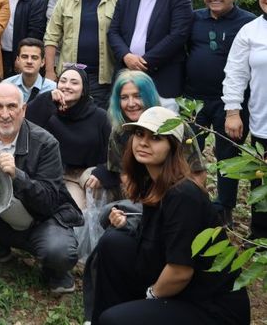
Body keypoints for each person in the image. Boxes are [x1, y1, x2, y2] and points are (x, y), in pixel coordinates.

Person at [89, 106, 250, 324]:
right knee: (113, 243)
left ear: (172, 147)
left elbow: (180, 271)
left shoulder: (183, 194)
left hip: (210, 306)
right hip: (182, 288)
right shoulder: (152, 181)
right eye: (139, 134)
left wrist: (150, 297)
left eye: (155, 138)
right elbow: (158, 242)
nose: (143, 142)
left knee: (114, 320)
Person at [0, 83, 82, 293]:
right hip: (0, 216)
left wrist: (18, 176)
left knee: (59, 252)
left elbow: (48, 203)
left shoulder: (46, 144)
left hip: (40, 221)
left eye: (12, 106)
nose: (5, 114)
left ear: (24, 110)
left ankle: (54, 270)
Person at [186, 0, 255, 225]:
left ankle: (225, 210)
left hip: (232, 102)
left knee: (228, 155)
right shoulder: (194, 18)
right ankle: (191, 203)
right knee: (189, 151)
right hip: (194, 99)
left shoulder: (248, 23)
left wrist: (234, 108)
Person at [108, 0, 193, 110]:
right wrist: (126, 56)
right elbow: (113, 32)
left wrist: (143, 62)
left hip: (163, 79)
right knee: (128, 124)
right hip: (127, 76)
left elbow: (178, 35)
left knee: (161, 125)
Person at [26, 66, 112, 209]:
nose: (67, 86)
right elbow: (25, 123)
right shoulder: (49, 109)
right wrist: (47, 98)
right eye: (63, 81)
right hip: (53, 175)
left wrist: (102, 172)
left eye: (74, 82)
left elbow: (112, 154)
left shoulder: (100, 116)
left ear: (83, 90)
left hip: (87, 175)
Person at [106, 70, 205, 191]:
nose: (131, 103)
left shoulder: (174, 124)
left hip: (178, 192)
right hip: (141, 194)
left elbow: (197, 173)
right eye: (124, 97)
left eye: (138, 96)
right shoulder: (119, 130)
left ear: (150, 96)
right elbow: (124, 173)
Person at [222, 0, 267, 239]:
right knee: (261, 184)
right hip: (263, 123)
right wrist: (233, 111)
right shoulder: (251, 31)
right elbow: (236, 74)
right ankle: (260, 238)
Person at [43, 0, 119, 108]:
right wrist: (50, 72)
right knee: (66, 114)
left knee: (98, 116)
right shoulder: (65, 1)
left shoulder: (116, 1)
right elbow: (51, 38)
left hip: (102, 79)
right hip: (69, 76)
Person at [3, 38, 56, 103]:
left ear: (42, 62)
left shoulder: (52, 88)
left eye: (34, 58)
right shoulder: (6, 85)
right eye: (24, 57)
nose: (29, 61)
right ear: (18, 60)